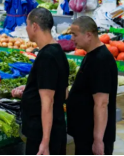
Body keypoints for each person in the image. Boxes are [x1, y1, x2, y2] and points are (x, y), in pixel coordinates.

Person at [21, 8, 70, 156]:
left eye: (27, 24)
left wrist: (45, 142)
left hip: (43, 134)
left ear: (35, 26)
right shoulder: (58, 51)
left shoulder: (47, 57)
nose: (26, 28)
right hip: (55, 128)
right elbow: (63, 92)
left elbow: (47, 101)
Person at [68, 16, 118, 156]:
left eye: (75, 35)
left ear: (88, 35)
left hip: (91, 137)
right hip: (84, 134)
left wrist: (98, 140)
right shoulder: (91, 55)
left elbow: (101, 103)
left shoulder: (100, 61)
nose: (72, 38)